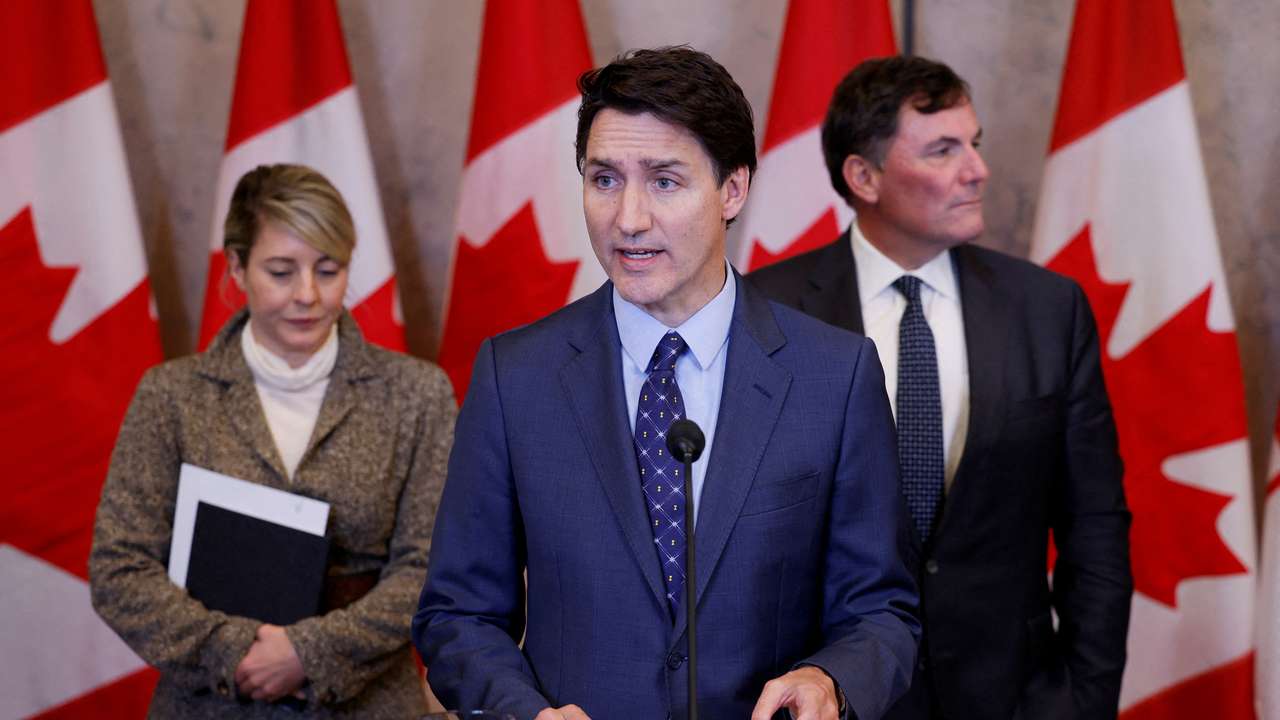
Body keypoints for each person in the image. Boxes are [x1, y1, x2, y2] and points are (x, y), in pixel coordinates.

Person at [414, 46, 919, 720]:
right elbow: (457, 616)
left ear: (732, 190)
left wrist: (830, 681)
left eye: (663, 181)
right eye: (604, 179)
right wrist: (522, 710)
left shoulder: (835, 375)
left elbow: (883, 610)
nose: (627, 219)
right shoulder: (517, 375)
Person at [749, 56, 1133, 719]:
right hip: (833, 702)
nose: (978, 169)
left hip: (1016, 701)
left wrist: (1084, 703)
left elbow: (1094, 528)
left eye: (973, 144)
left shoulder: (1047, 309)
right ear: (863, 176)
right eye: (943, 150)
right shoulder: (767, 314)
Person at [89, 163, 456, 718]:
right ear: (236, 268)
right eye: (281, 272)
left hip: (372, 701)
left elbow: (431, 566)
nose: (308, 295)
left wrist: (308, 653)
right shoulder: (171, 395)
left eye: (328, 270)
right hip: (208, 702)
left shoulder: (417, 394)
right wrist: (233, 652)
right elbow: (119, 567)